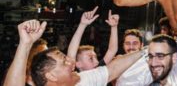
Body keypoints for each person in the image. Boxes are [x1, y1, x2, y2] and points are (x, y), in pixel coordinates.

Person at [3, 19, 146, 86]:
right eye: (64, 61)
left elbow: (113, 69)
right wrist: (25, 44)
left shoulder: (82, 80)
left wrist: (148, 50)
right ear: (51, 75)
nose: (71, 62)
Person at [67, 6, 119, 71]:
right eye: (91, 58)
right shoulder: (76, 77)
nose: (97, 61)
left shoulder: (98, 70)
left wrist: (114, 27)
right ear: (78, 64)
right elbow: (71, 55)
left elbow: (112, 50)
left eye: (96, 57)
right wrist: (82, 25)